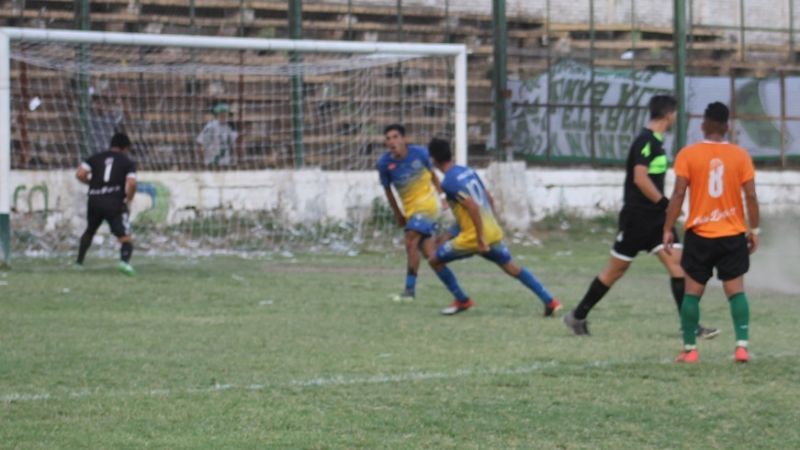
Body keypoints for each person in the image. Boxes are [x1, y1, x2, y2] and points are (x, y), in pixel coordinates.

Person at [563, 95, 718, 337]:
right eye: (675, 113)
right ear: (668, 115)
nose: (676, 117)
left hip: (657, 220)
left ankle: (690, 326)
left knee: (678, 267)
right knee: (615, 271)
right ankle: (577, 316)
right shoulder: (646, 141)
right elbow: (640, 178)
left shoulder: (656, 142)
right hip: (637, 219)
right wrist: (665, 202)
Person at [664, 102, 759, 364]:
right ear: (727, 127)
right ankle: (741, 347)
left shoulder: (688, 154)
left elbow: (678, 193)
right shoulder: (740, 156)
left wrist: (667, 228)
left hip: (700, 233)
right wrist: (755, 229)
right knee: (736, 291)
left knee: (692, 292)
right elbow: (750, 195)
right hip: (732, 233)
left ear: (704, 124)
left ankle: (690, 350)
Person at [426, 138, 562, 316]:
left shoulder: (449, 182)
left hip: (475, 237)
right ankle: (549, 300)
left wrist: (480, 238)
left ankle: (462, 299)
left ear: (433, 159)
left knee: (434, 260)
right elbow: (488, 198)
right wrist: (489, 226)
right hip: (490, 230)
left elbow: (473, 207)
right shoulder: (466, 171)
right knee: (512, 267)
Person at [377, 124, 443, 300]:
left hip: (429, 205)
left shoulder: (420, 153)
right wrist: (398, 214)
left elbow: (434, 175)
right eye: (388, 138)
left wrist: (442, 197)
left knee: (410, 238)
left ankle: (409, 291)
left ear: (404, 139)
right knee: (432, 256)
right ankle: (459, 293)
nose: (392, 141)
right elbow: (388, 192)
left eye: (395, 137)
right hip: (411, 211)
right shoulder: (384, 164)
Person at [76, 132, 138, 276]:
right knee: (125, 237)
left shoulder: (95, 157)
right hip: (114, 202)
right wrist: (129, 199)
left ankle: (79, 262)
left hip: (94, 200)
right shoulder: (127, 162)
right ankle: (124, 262)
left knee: (90, 231)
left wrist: (91, 183)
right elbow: (132, 183)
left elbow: (80, 174)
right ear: (125, 148)